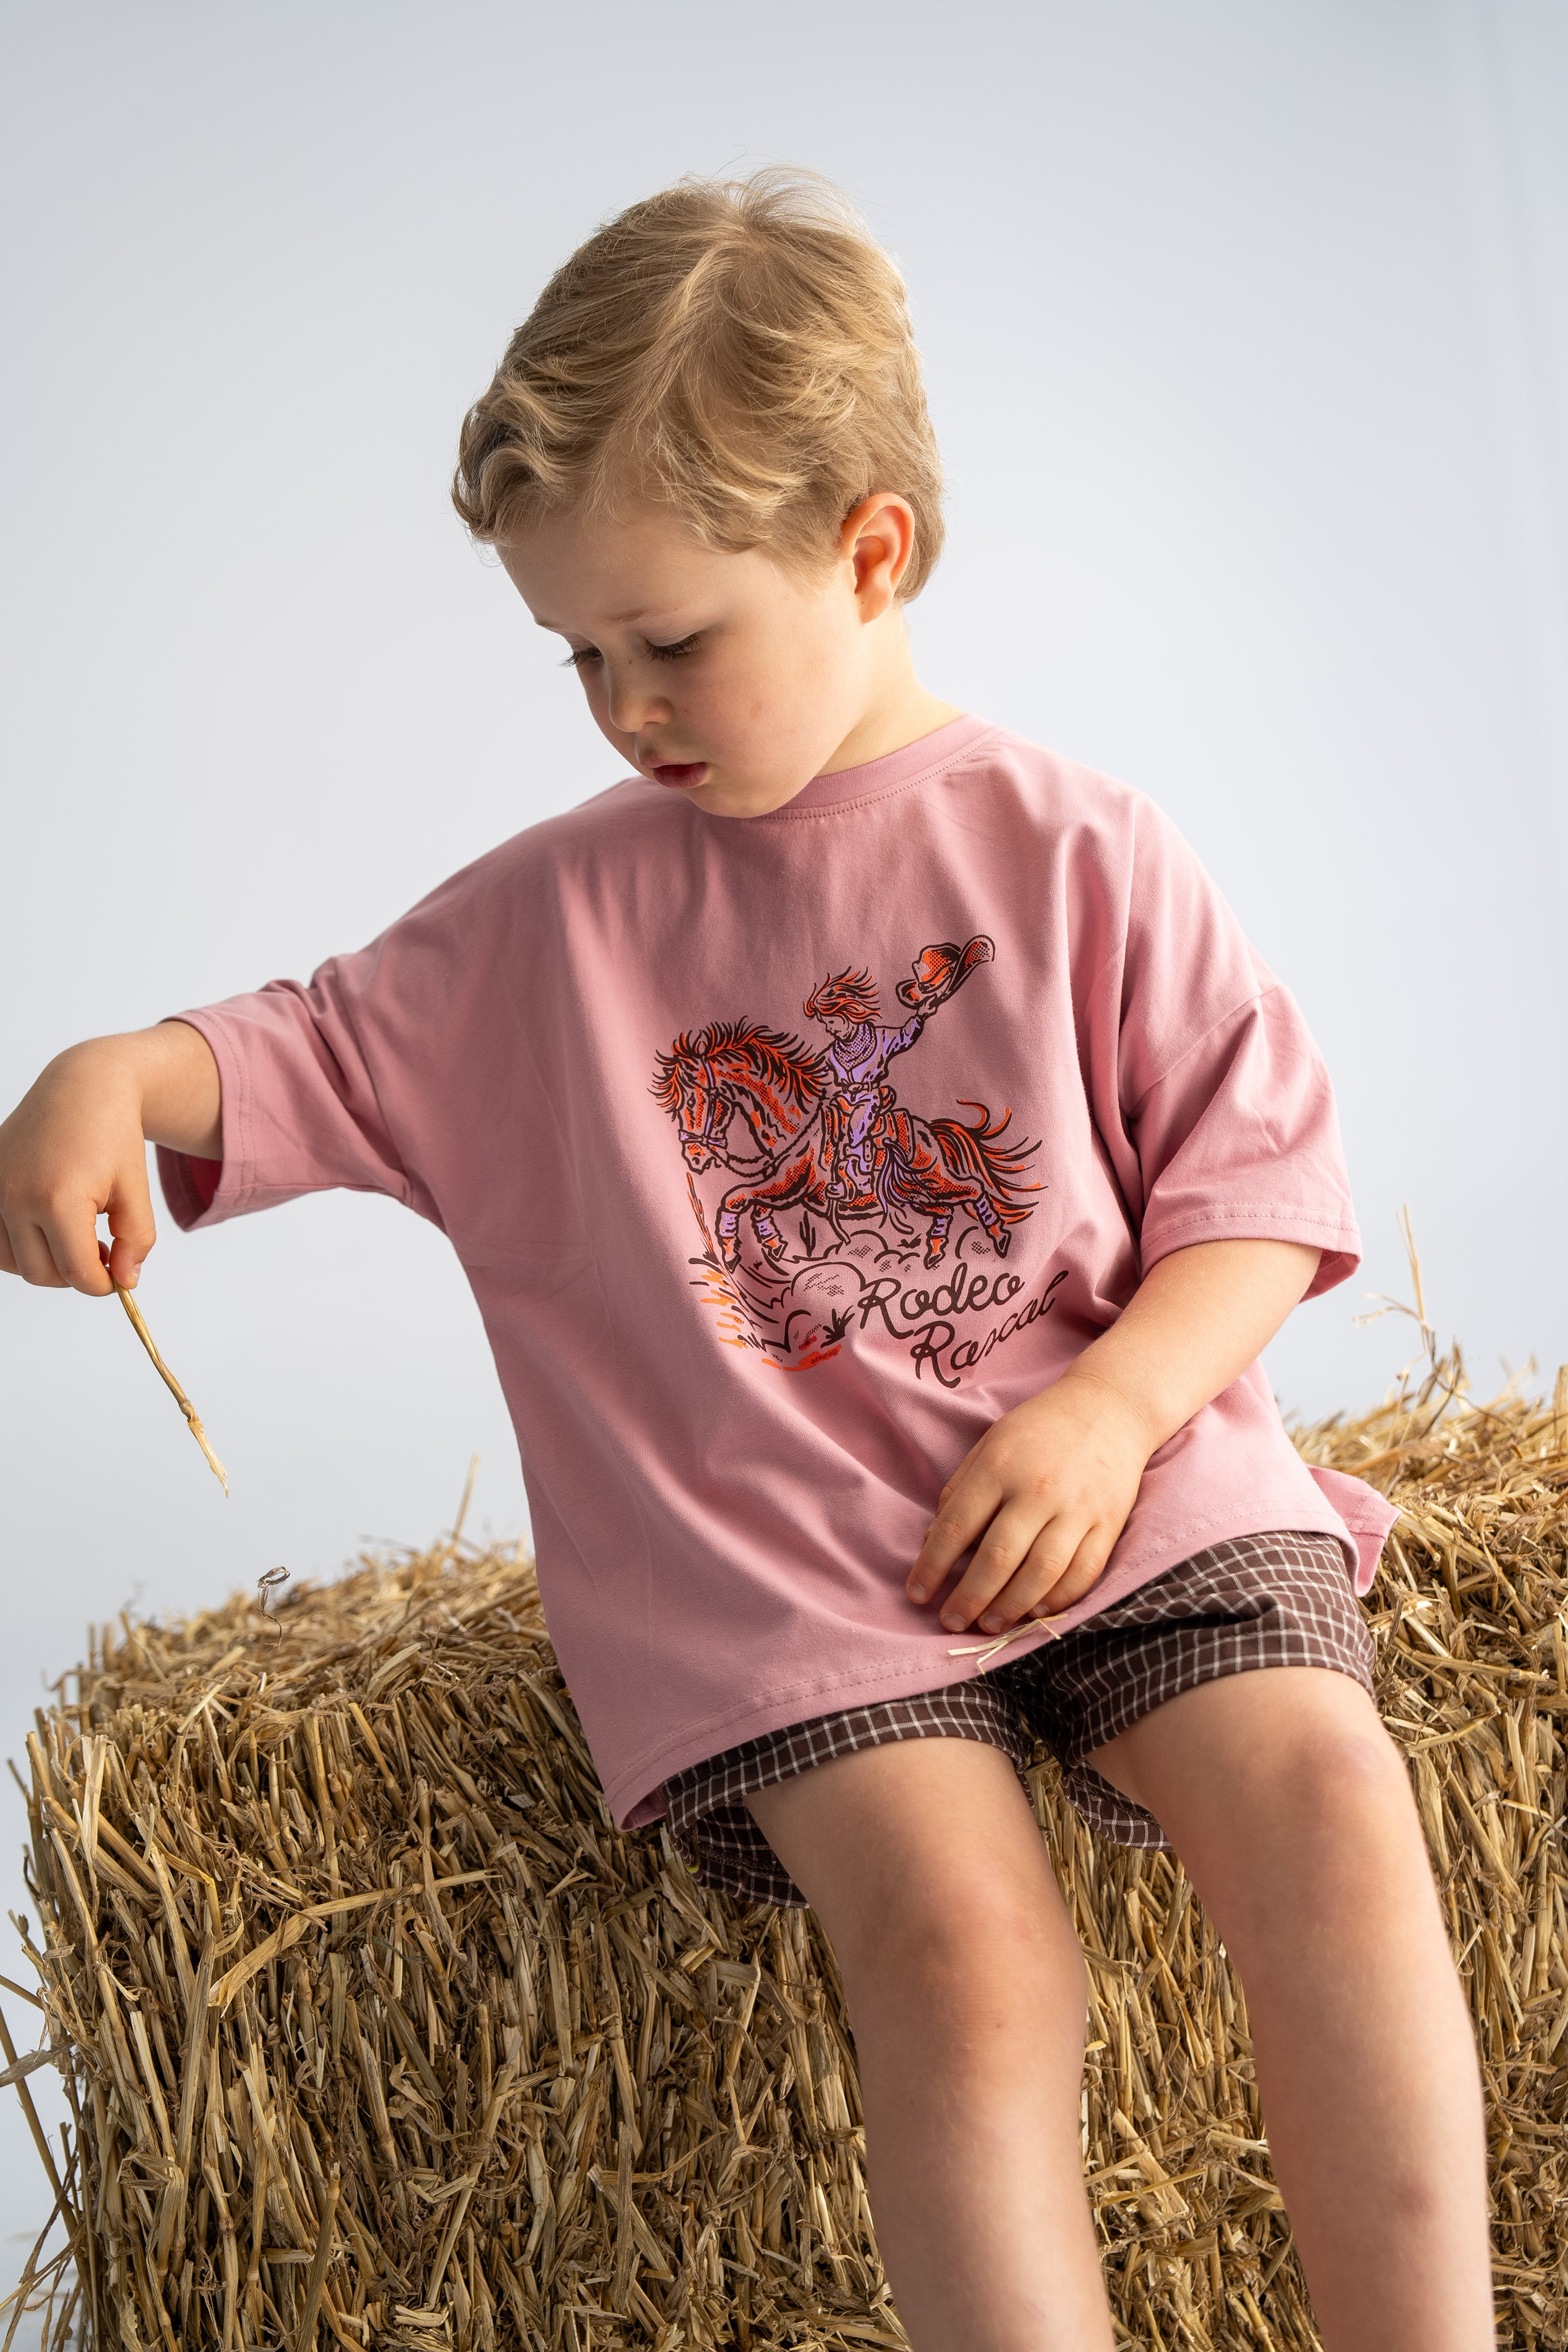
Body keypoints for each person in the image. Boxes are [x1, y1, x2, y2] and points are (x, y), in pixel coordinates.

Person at [0, 172, 1494, 2349]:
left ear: (868, 549)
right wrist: (99, 1076)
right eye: (578, 656)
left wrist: (1111, 1408)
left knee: (1337, 1808)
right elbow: (287, 1049)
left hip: (1131, 1487)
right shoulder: (544, 928)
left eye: (673, 639)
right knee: (969, 1953)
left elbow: (1255, 1196)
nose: (623, 705)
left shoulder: (1080, 850)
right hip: (792, 1587)